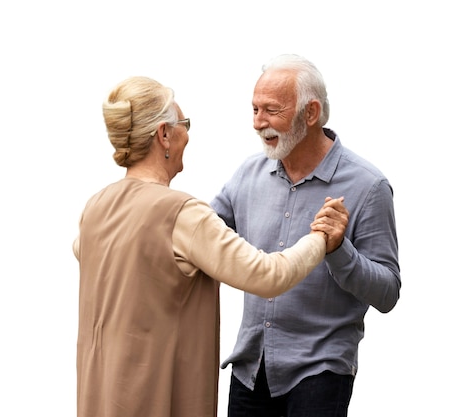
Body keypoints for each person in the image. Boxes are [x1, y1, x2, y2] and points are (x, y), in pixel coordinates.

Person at [72, 75, 348, 417]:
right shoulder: (181, 215)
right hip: (155, 400)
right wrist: (322, 238)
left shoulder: (94, 209)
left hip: (101, 399)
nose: (188, 134)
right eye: (184, 124)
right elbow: (270, 274)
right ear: (164, 135)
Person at [211, 54, 401, 417]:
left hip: (321, 373)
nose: (258, 122)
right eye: (254, 109)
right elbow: (203, 233)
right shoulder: (247, 174)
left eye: (271, 110)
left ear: (310, 113)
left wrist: (338, 250)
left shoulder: (368, 186)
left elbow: (388, 292)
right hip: (251, 370)